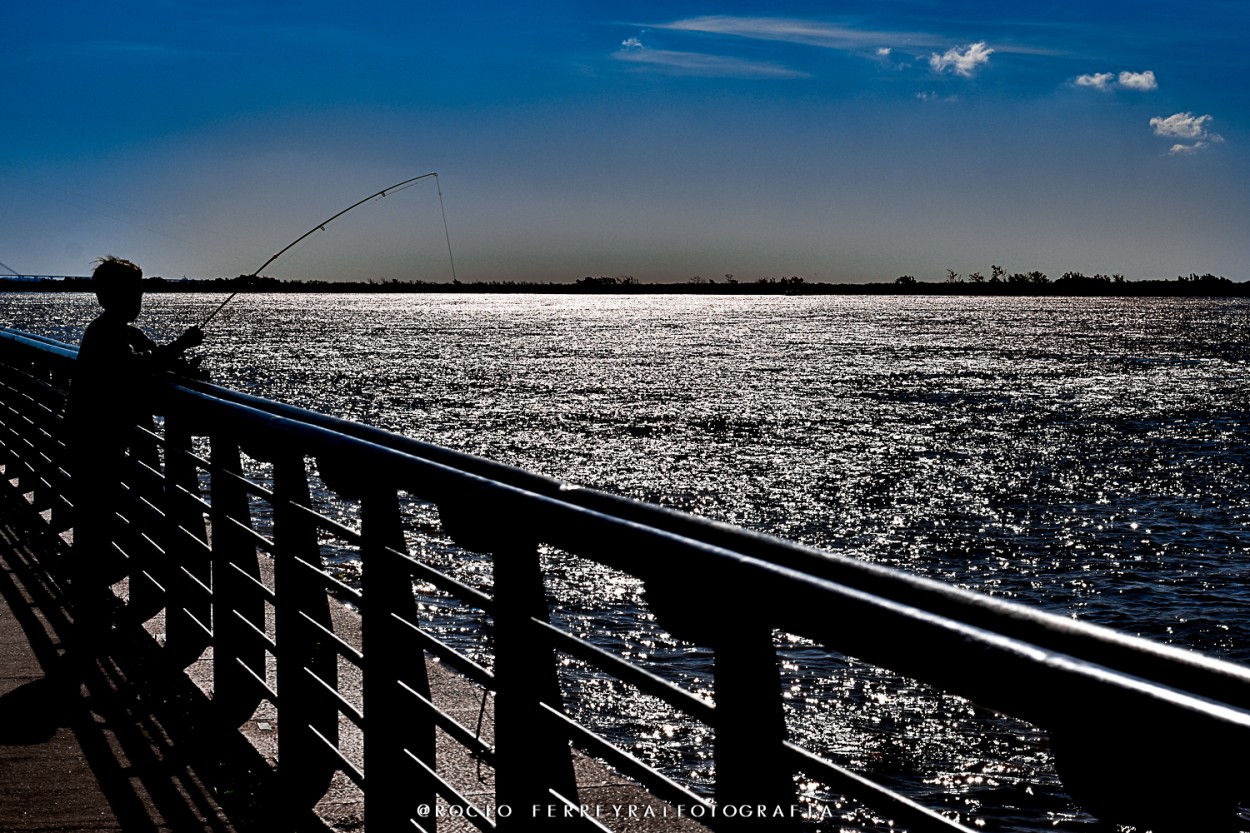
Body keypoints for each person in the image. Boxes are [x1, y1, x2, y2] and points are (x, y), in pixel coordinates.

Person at [64, 255, 204, 627]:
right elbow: (131, 367)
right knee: (98, 520)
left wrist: (183, 366)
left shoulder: (125, 331)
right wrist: (181, 345)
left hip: (107, 438)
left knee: (103, 518)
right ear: (108, 297)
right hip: (94, 439)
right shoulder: (105, 332)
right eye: (132, 291)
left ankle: (94, 599)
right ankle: (92, 607)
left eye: (139, 290)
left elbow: (150, 359)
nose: (139, 298)